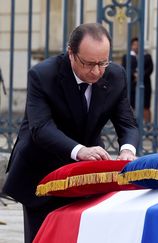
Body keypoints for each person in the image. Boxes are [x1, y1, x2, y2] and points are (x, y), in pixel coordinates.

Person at [2, 23, 139, 242]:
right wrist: (80, 150)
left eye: (103, 62)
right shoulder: (43, 75)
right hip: (41, 172)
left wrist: (128, 151)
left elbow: (127, 123)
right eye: (88, 64)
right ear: (71, 54)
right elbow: (41, 128)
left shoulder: (115, 75)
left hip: (87, 175)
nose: (96, 71)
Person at [121, 38, 154, 123]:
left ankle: (148, 127)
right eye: (134, 45)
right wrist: (134, 75)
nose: (136, 47)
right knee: (131, 106)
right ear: (131, 46)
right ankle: (132, 126)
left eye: (138, 45)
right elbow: (124, 68)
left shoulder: (147, 56)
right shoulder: (126, 57)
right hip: (132, 85)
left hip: (145, 84)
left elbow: (150, 69)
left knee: (146, 106)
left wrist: (141, 75)